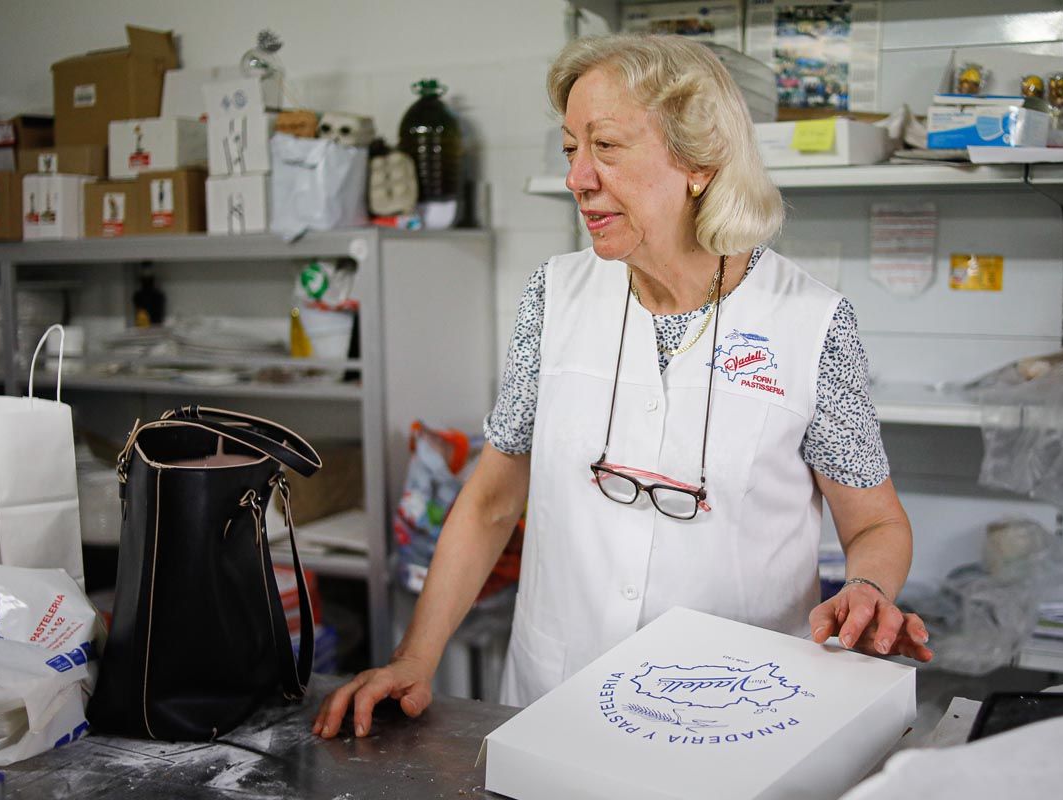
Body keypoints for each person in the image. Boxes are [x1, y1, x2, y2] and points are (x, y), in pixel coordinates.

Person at [314, 33, 931, 740]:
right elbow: (491, 499)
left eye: (605, 146)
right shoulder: (555, 295)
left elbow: (876, 522)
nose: (578, 177)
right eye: (571, 147)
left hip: (728, 711)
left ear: (699, 162)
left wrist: (867, 588)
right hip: (555, 693)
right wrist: (415, 658)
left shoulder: (810, 322)